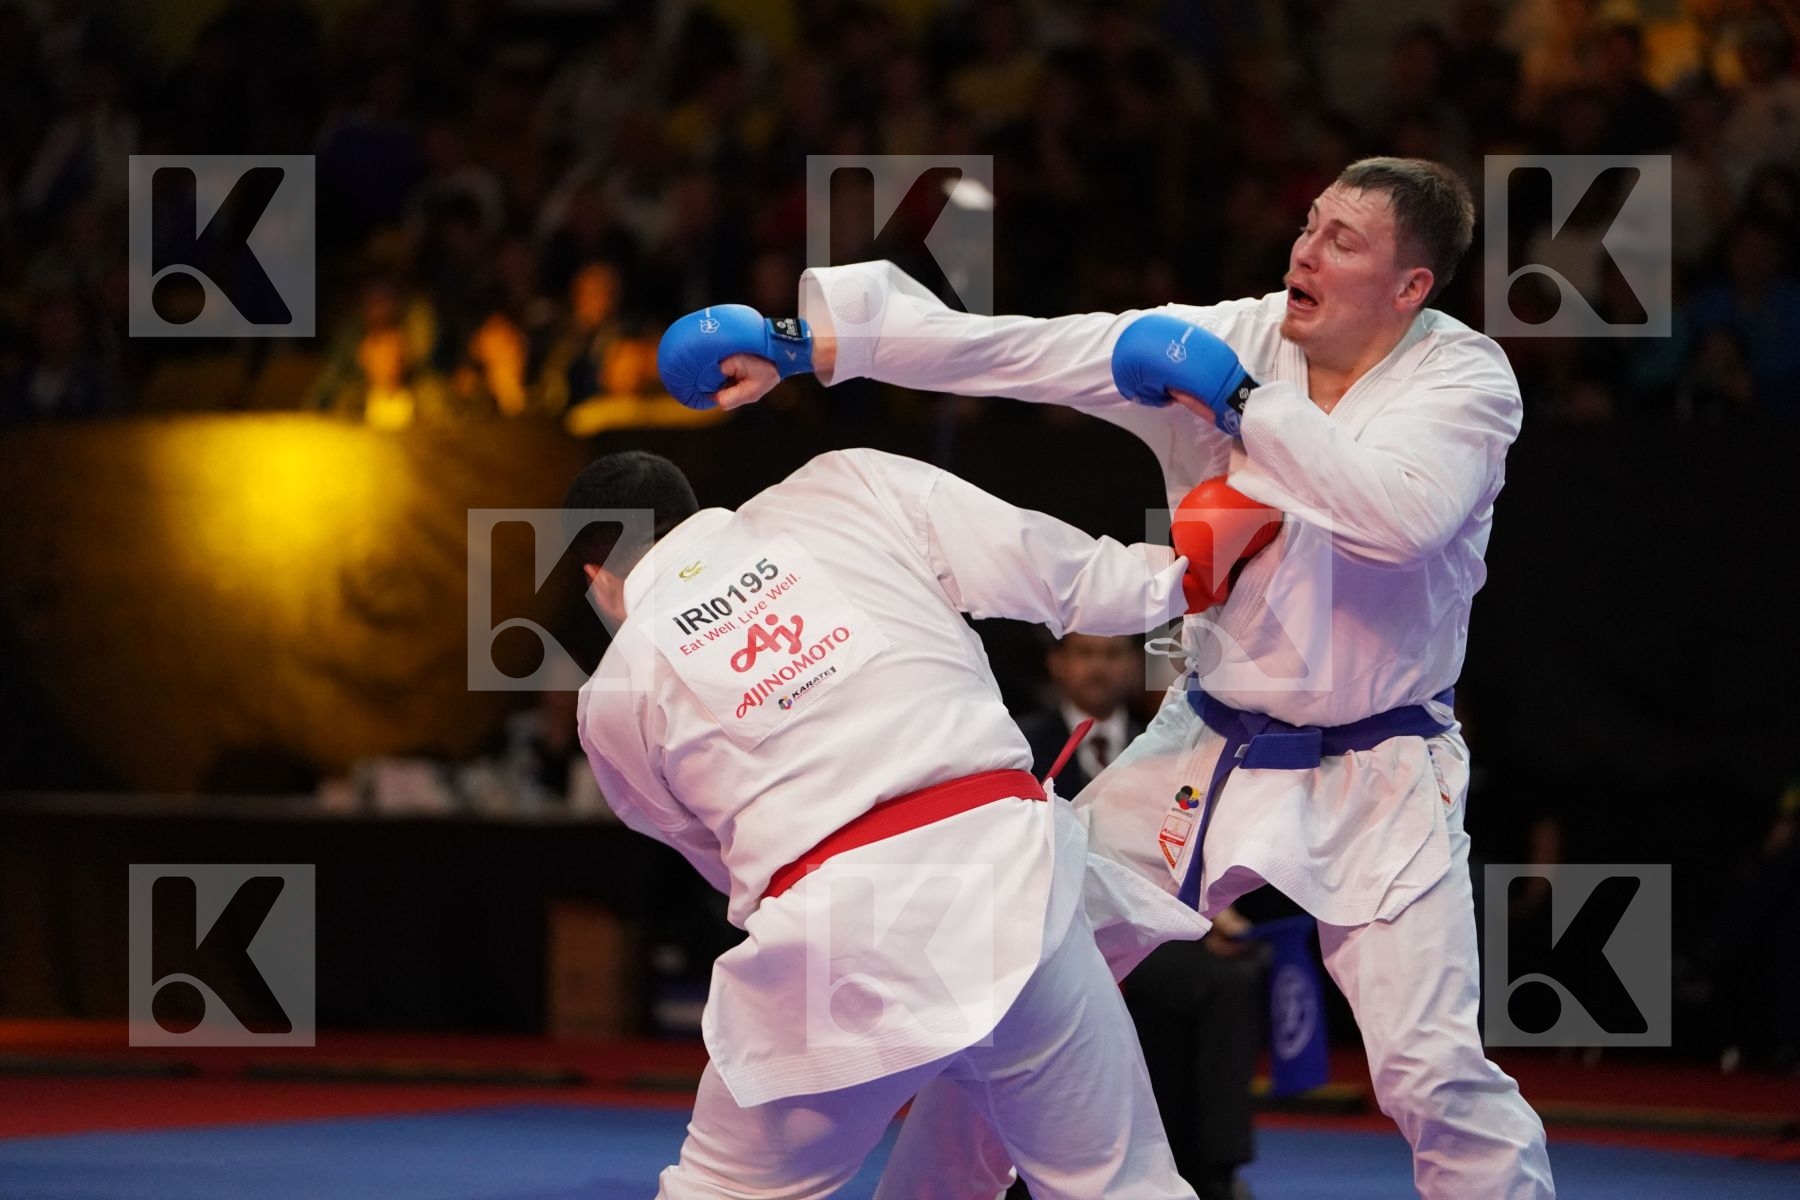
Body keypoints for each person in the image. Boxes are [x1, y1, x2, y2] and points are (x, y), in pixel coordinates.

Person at [675, 157, 1555, 1198]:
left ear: (1412, 288)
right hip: (1206, 747)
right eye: (1309, 226)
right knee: (1012, 991)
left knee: (1432, 1073)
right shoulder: (1235, 335)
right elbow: (1024, 350)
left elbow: (1399, 518)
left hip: (1382, 766)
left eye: (1343, 242)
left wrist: (1236, 403)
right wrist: (805, 346)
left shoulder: (1464, 382)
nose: (1305, 252)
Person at [570, 443, 1210, 1198]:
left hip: (838, 927)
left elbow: (717, 854)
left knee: (721, 1191)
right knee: (1122, 1186)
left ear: (596, 579)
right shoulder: (845, 486)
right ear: (691, 507)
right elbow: (1056, 569)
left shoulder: (613, 694)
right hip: (1009, 879)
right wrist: (1191, 572)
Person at [1016, 634, 1261, 1200]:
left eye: (1112, 654)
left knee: (1228, 978)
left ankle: (1217, 1171)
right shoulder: (1021, 742)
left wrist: (1215, 916)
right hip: (1054, 928)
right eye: (1084, 653)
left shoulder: (1170, 744)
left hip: (1150, 928)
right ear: (1057, 662)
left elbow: (1206, 837)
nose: (1098, 667)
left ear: (1133, 665)